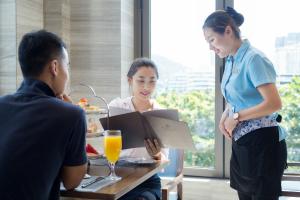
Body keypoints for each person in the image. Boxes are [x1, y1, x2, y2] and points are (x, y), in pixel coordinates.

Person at [203, 7, 287, 200]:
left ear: (228, 31)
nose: (210, 47)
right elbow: (237, 96)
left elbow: (273, 103)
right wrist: (226, 115)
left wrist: (236, 117)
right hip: (243, 143)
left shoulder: (254, 59)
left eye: (212, 40)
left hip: (264, 144)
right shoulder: (231, 60)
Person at [0, 30, 87, 200]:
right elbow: (72, 181)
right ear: (54, 67)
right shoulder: (71, 114)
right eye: (67, 66)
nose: (67, 74)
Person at [109, 57, 167, 200]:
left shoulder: (161, 114)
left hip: (148, 180)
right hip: (118, 176)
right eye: (141, 81)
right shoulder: (117, 107)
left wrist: (156, 154)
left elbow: (165, 159)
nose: (146, 87)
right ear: (130, 80)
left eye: (152, 81)